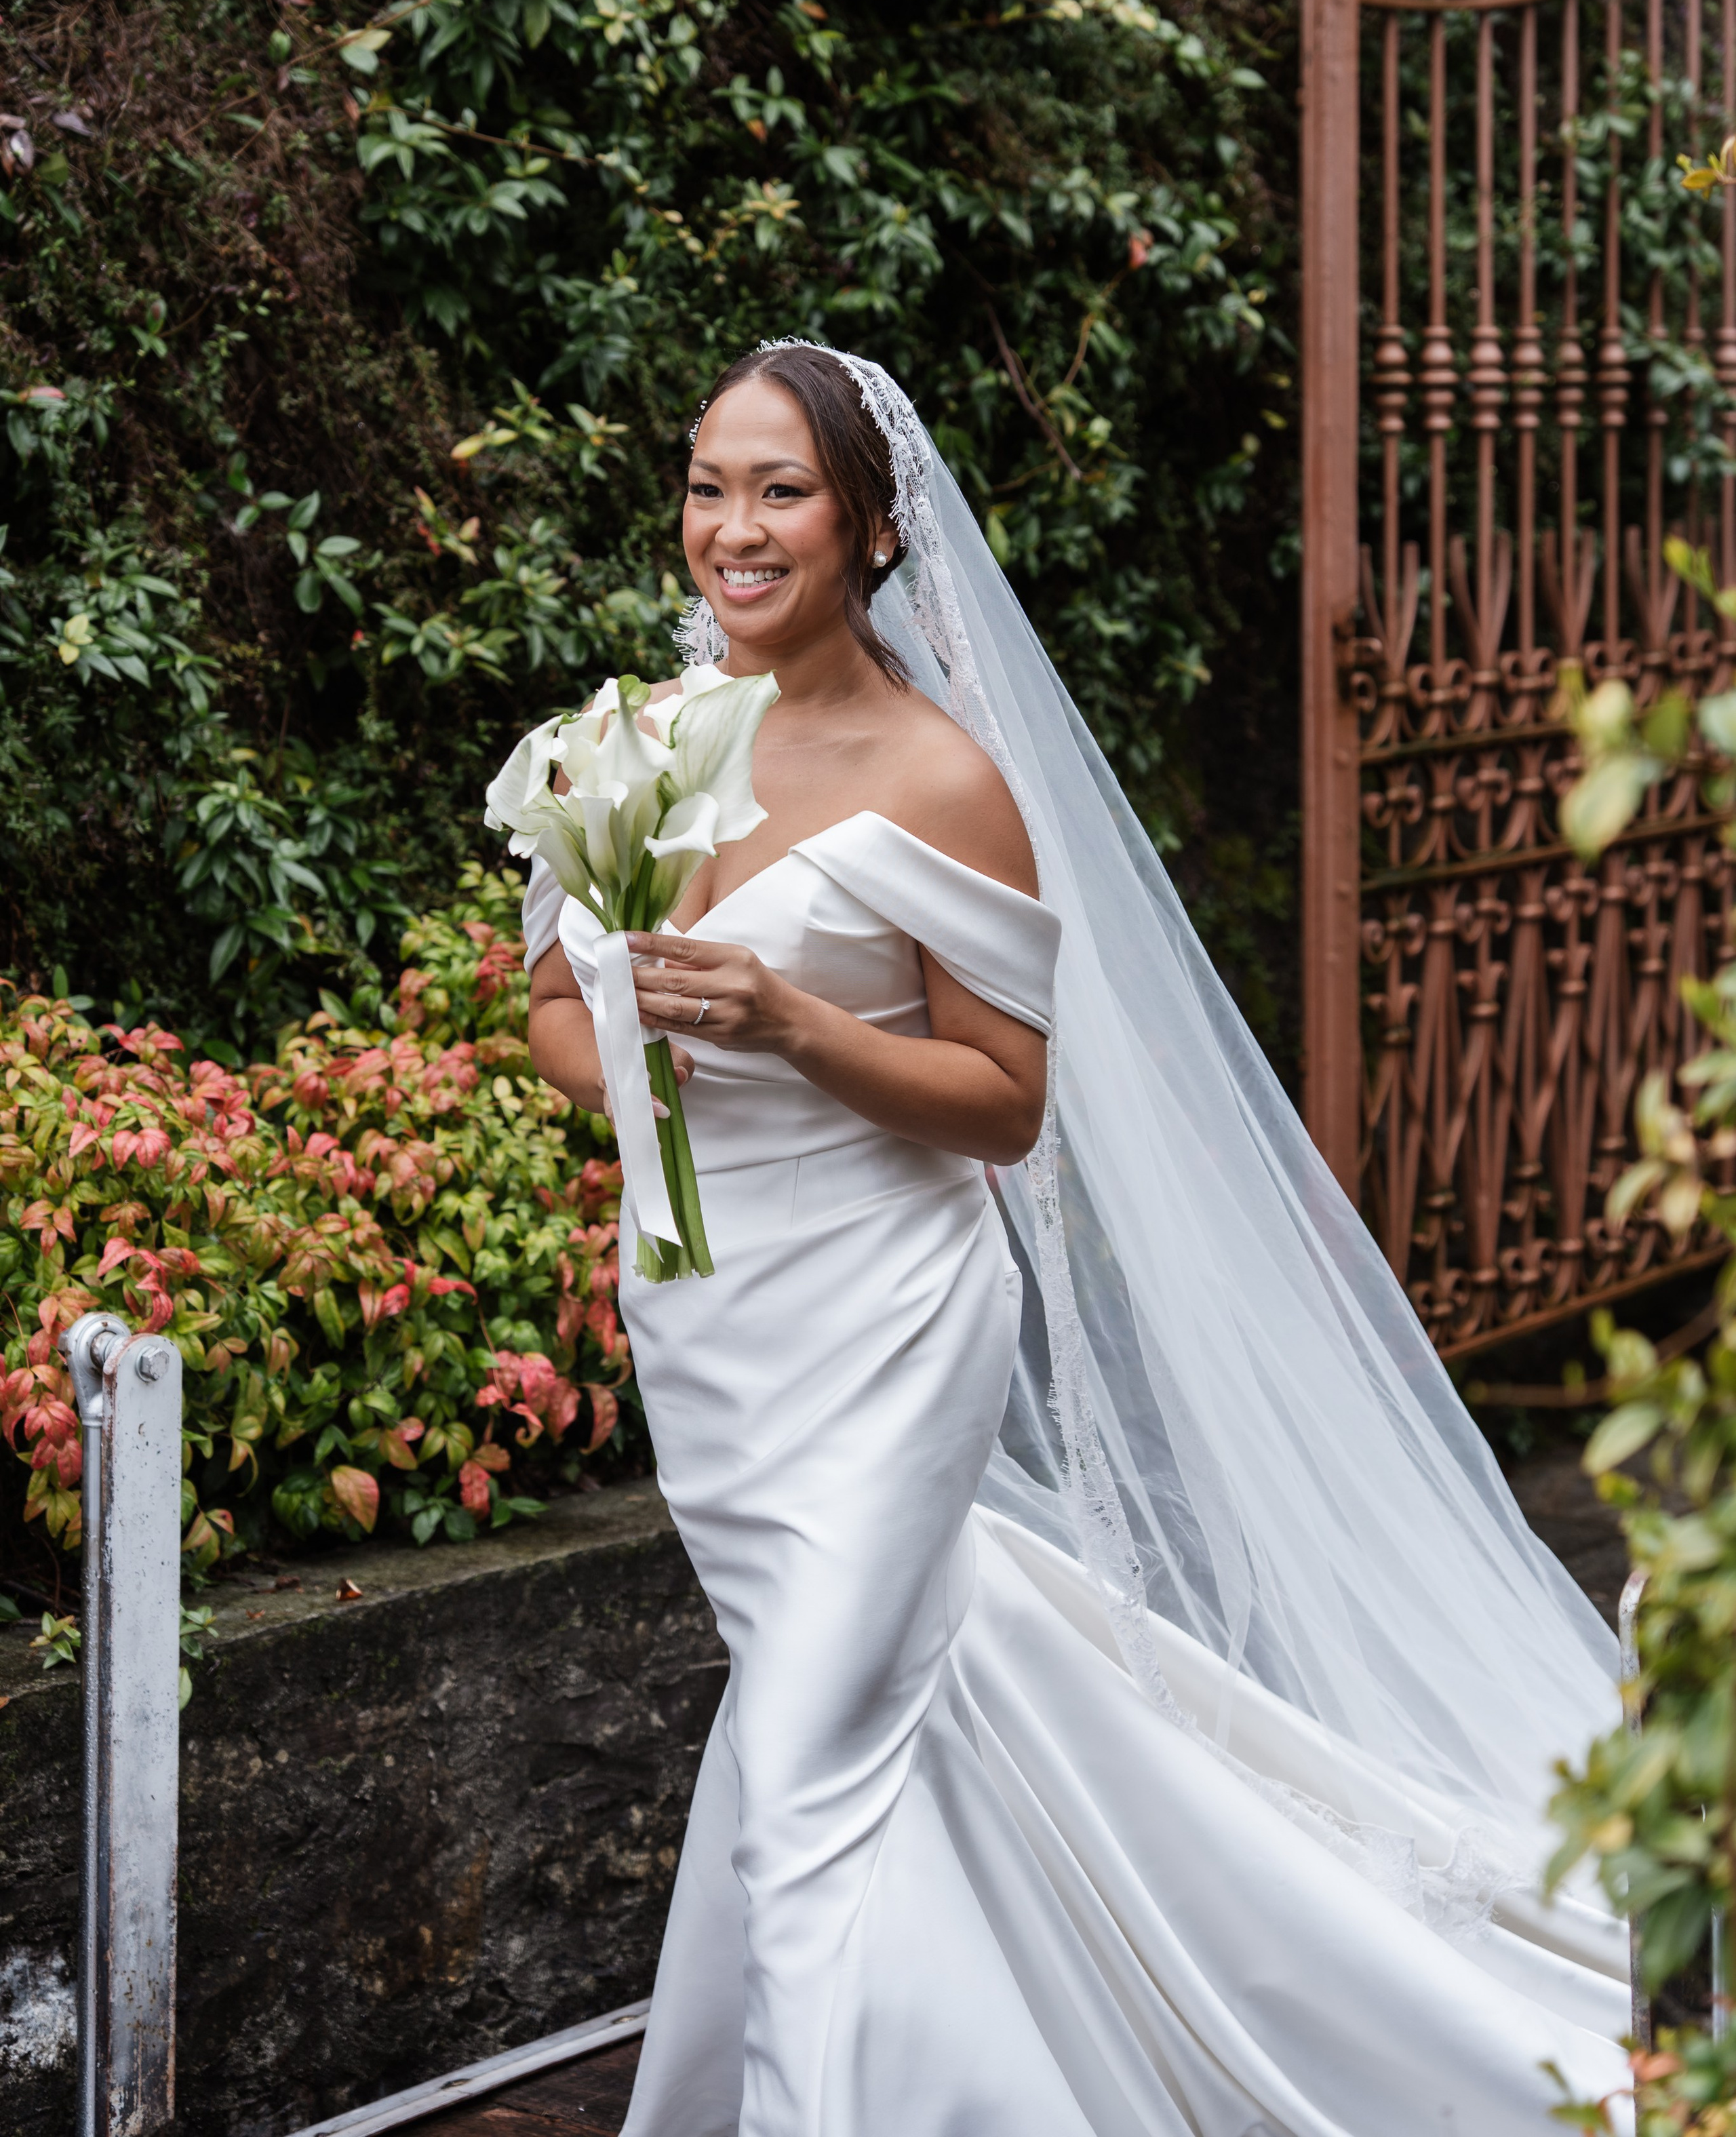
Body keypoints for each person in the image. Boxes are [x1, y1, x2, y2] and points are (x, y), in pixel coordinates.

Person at [519, 340, 1632, 2137]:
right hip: (709, 1329)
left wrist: (793, 1031)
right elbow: (555, 1028)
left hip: (885, 1321)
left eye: (780, 490)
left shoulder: (942, 780)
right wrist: (652, 1059)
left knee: (808, 1747)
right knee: (870, 1709)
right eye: (711, 485)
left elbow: (1006, 1102)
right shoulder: (626, 749)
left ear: (876, 532)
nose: (733, 525)